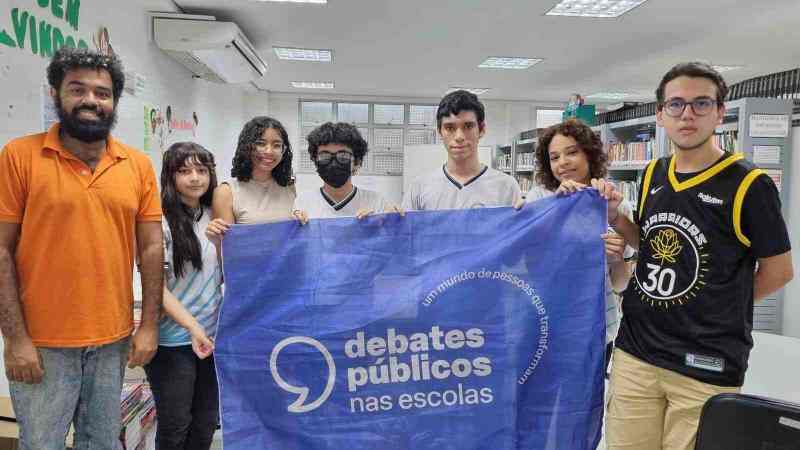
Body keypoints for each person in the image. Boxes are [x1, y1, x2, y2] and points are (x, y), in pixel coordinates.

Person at [593, 62, 793, 450]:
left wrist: (721, 305)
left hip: (705, 363)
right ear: (660, 114)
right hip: (637, 351)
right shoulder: (654, 173)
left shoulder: (750, 185)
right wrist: (617, 219)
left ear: (720, 111)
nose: (687, 114)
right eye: (676, 104)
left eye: (701, 103)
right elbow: (650, 241)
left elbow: (780, 271)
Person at [0, 47, 163, 450]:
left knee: (102, 442)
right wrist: (16, 338)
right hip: (42, 342)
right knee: (42, 444)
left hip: (112, 340)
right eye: (78, 89)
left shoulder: (137, 165)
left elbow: (152, 248)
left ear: (114, 102)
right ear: (56, 93)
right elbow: (1, 250)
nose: (91, 100)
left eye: (102, 93)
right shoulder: (20, 156)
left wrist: (149, 325)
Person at [527, 118, 633, 373]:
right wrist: (557, 209)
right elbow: (531, 266)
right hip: (547, 324)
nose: (562, 162)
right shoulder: (539, 200)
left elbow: (621, 285)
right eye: (554, 157)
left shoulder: (615, 205)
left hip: (598, 326)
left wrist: (617, 259)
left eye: (572, 152)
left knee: (587, 404)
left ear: (590, 153)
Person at [145, 142, 222, 450]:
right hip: (173, 342)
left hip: (213, 339)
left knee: (205, 424)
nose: (194, 178)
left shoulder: (215, 216)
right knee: (176, 425)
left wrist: (220, 242)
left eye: (201, 170)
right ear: (170, 176)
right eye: (184, 171)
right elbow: (156, 288)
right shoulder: (158, 221)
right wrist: (193, 327)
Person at [402, 90, 522, 211]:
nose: (459, 136)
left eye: (468, 126)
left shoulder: (506, 187)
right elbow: (404, 229)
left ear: (482, 129)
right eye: (450, 128)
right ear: (439, 132)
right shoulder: (420, 188)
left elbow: (519, 228)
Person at [205, 116, 296, 244]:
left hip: (287, 264)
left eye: (277, 145)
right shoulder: (226, 192)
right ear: (247, 147)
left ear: (283, 150)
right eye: (260, 144)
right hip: (246, 264)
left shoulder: (289, 187)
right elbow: (226, 253)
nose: (269, 151)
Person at [294, 122, 396, 219]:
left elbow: (391, 235)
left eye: (343, 156)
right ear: (315, 161)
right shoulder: (303, 202)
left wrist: (392, 221)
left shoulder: (376, 202)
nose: (333, 163)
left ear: (357, 162)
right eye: (325, 156)